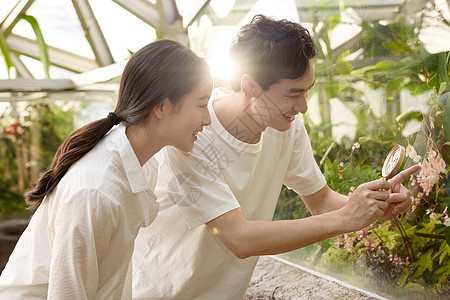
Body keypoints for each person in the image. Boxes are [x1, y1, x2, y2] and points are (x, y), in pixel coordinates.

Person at [131, 15, 420, 299]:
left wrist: (377, 206)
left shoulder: (286, 128)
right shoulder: (191, 137)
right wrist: (347, 218)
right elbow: (239, 238)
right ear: (250, 86)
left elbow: (320, 203)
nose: (303, 107)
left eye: (307, 91)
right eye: (293, 93)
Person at [0, 39, 212, 299]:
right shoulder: (96, 190)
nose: (208, 119)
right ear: (162, 106)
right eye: (202, 105)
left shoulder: (140, 163)